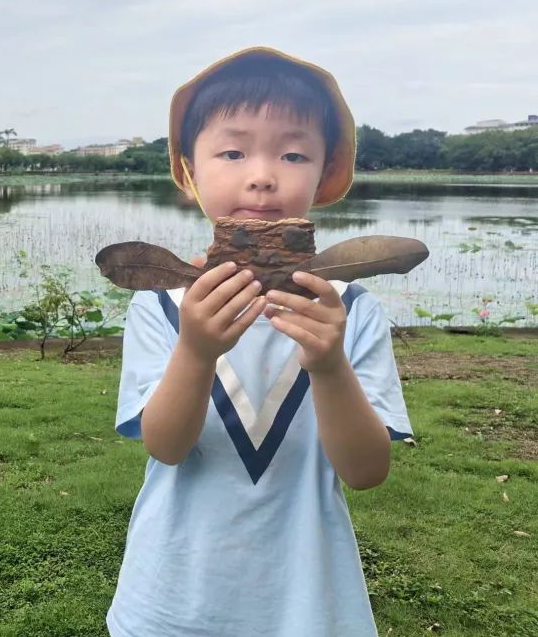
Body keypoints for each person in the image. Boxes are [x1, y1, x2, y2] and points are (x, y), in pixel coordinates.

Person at [108, 48, 412, 636]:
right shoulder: (162, 307)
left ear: (325, 173)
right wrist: (196, 351)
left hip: (307, 611)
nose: (263, 174)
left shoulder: (349, 311)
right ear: (189, 171)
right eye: (233, 151)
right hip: (173, 603)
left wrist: (329, 367)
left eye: (294, 153)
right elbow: (166, 447)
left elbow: (367, 471)